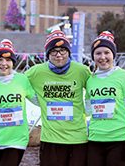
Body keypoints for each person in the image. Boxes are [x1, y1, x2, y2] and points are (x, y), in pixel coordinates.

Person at [25, 30, 91, 166]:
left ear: (68, 52)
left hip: (77, 138)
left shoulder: (81, 71)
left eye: (63, 50)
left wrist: (88, 109)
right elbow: (17, 84)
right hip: (50, 140)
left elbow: (95, 88)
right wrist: (38, 101)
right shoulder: (37, 72)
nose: (59, 55)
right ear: (48, 53)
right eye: (54, 51)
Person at [85, 31, 125, 166]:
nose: (102, 57)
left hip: (119, 140)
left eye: (106, 52)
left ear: (113, 55)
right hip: (95, 140)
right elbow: (87, 110)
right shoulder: (90, 80)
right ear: (93, 57)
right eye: (98, 53)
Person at [0, 39, 37, 166]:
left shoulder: (22, 79)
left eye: (8, 60)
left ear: (13, 62)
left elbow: (37, 101)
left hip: (17, 139)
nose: (4, 64)